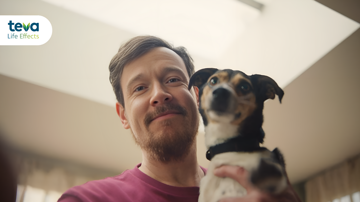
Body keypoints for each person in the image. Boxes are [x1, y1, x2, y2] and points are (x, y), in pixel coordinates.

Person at [58, 36, 301, 202]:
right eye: (140, 88)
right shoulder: (86, 200)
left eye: (173, 80)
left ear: (198, 96)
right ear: (123, 115)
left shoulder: (262, 186)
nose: (159, 95)